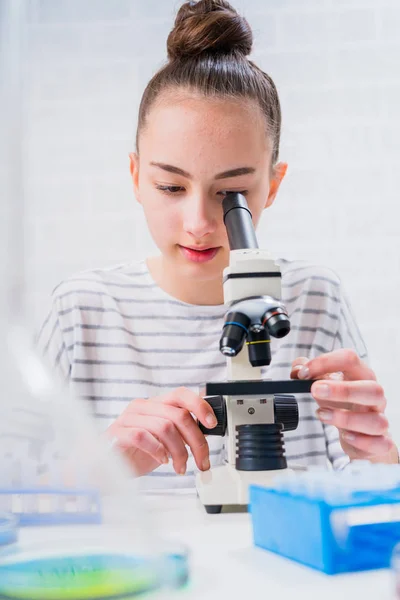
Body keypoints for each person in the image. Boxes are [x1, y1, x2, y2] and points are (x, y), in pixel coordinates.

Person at [37, 0, 398, 490]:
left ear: (272, 185)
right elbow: (16, 507)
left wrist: (378, 459)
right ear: (136, 176)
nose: (201, 223)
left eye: (232, 194)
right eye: (170, 187)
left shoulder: (316, 298)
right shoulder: (80, 311)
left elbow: (369, 511)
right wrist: (101, 466)